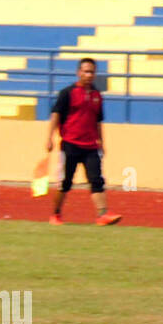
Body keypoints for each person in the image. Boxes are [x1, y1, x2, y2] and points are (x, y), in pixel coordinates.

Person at [47, 58, 121, 226]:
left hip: (90, 146)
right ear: (78, 72)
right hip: (70, 144)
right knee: (64, 183)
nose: (89, 75)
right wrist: (49, 138)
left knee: (96, 180)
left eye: (92, 72)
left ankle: (103, 214)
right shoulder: (67, 93)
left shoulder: (96, 95)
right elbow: (56, 115)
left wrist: (101, 141)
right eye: (86, 71)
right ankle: (55, 214)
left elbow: (97, 121)